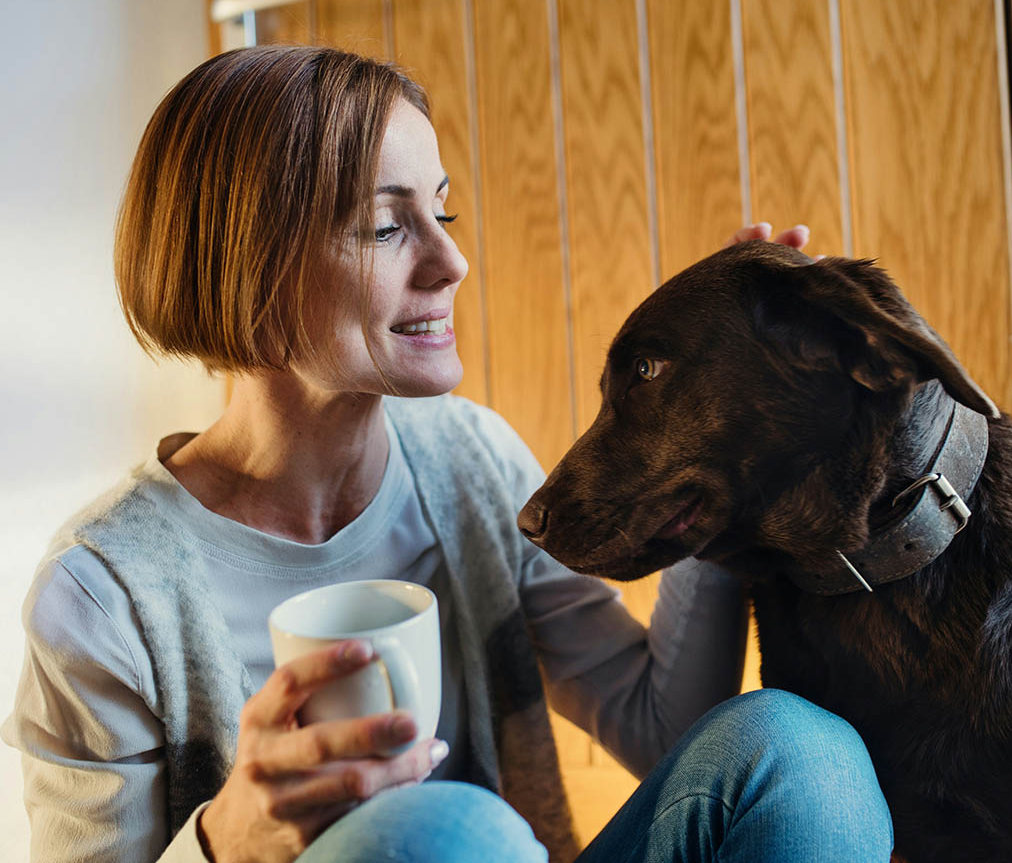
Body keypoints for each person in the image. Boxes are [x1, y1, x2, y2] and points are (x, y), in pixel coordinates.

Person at [2, 45, 893, 863]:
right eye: (388, 228)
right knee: (453, 831)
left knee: (795, 751)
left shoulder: (472, 460)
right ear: (249, 273)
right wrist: (226, 840)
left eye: (443, 209)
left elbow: (667, 728)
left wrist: (724, 440)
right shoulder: (104, 597)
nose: (454, 260)